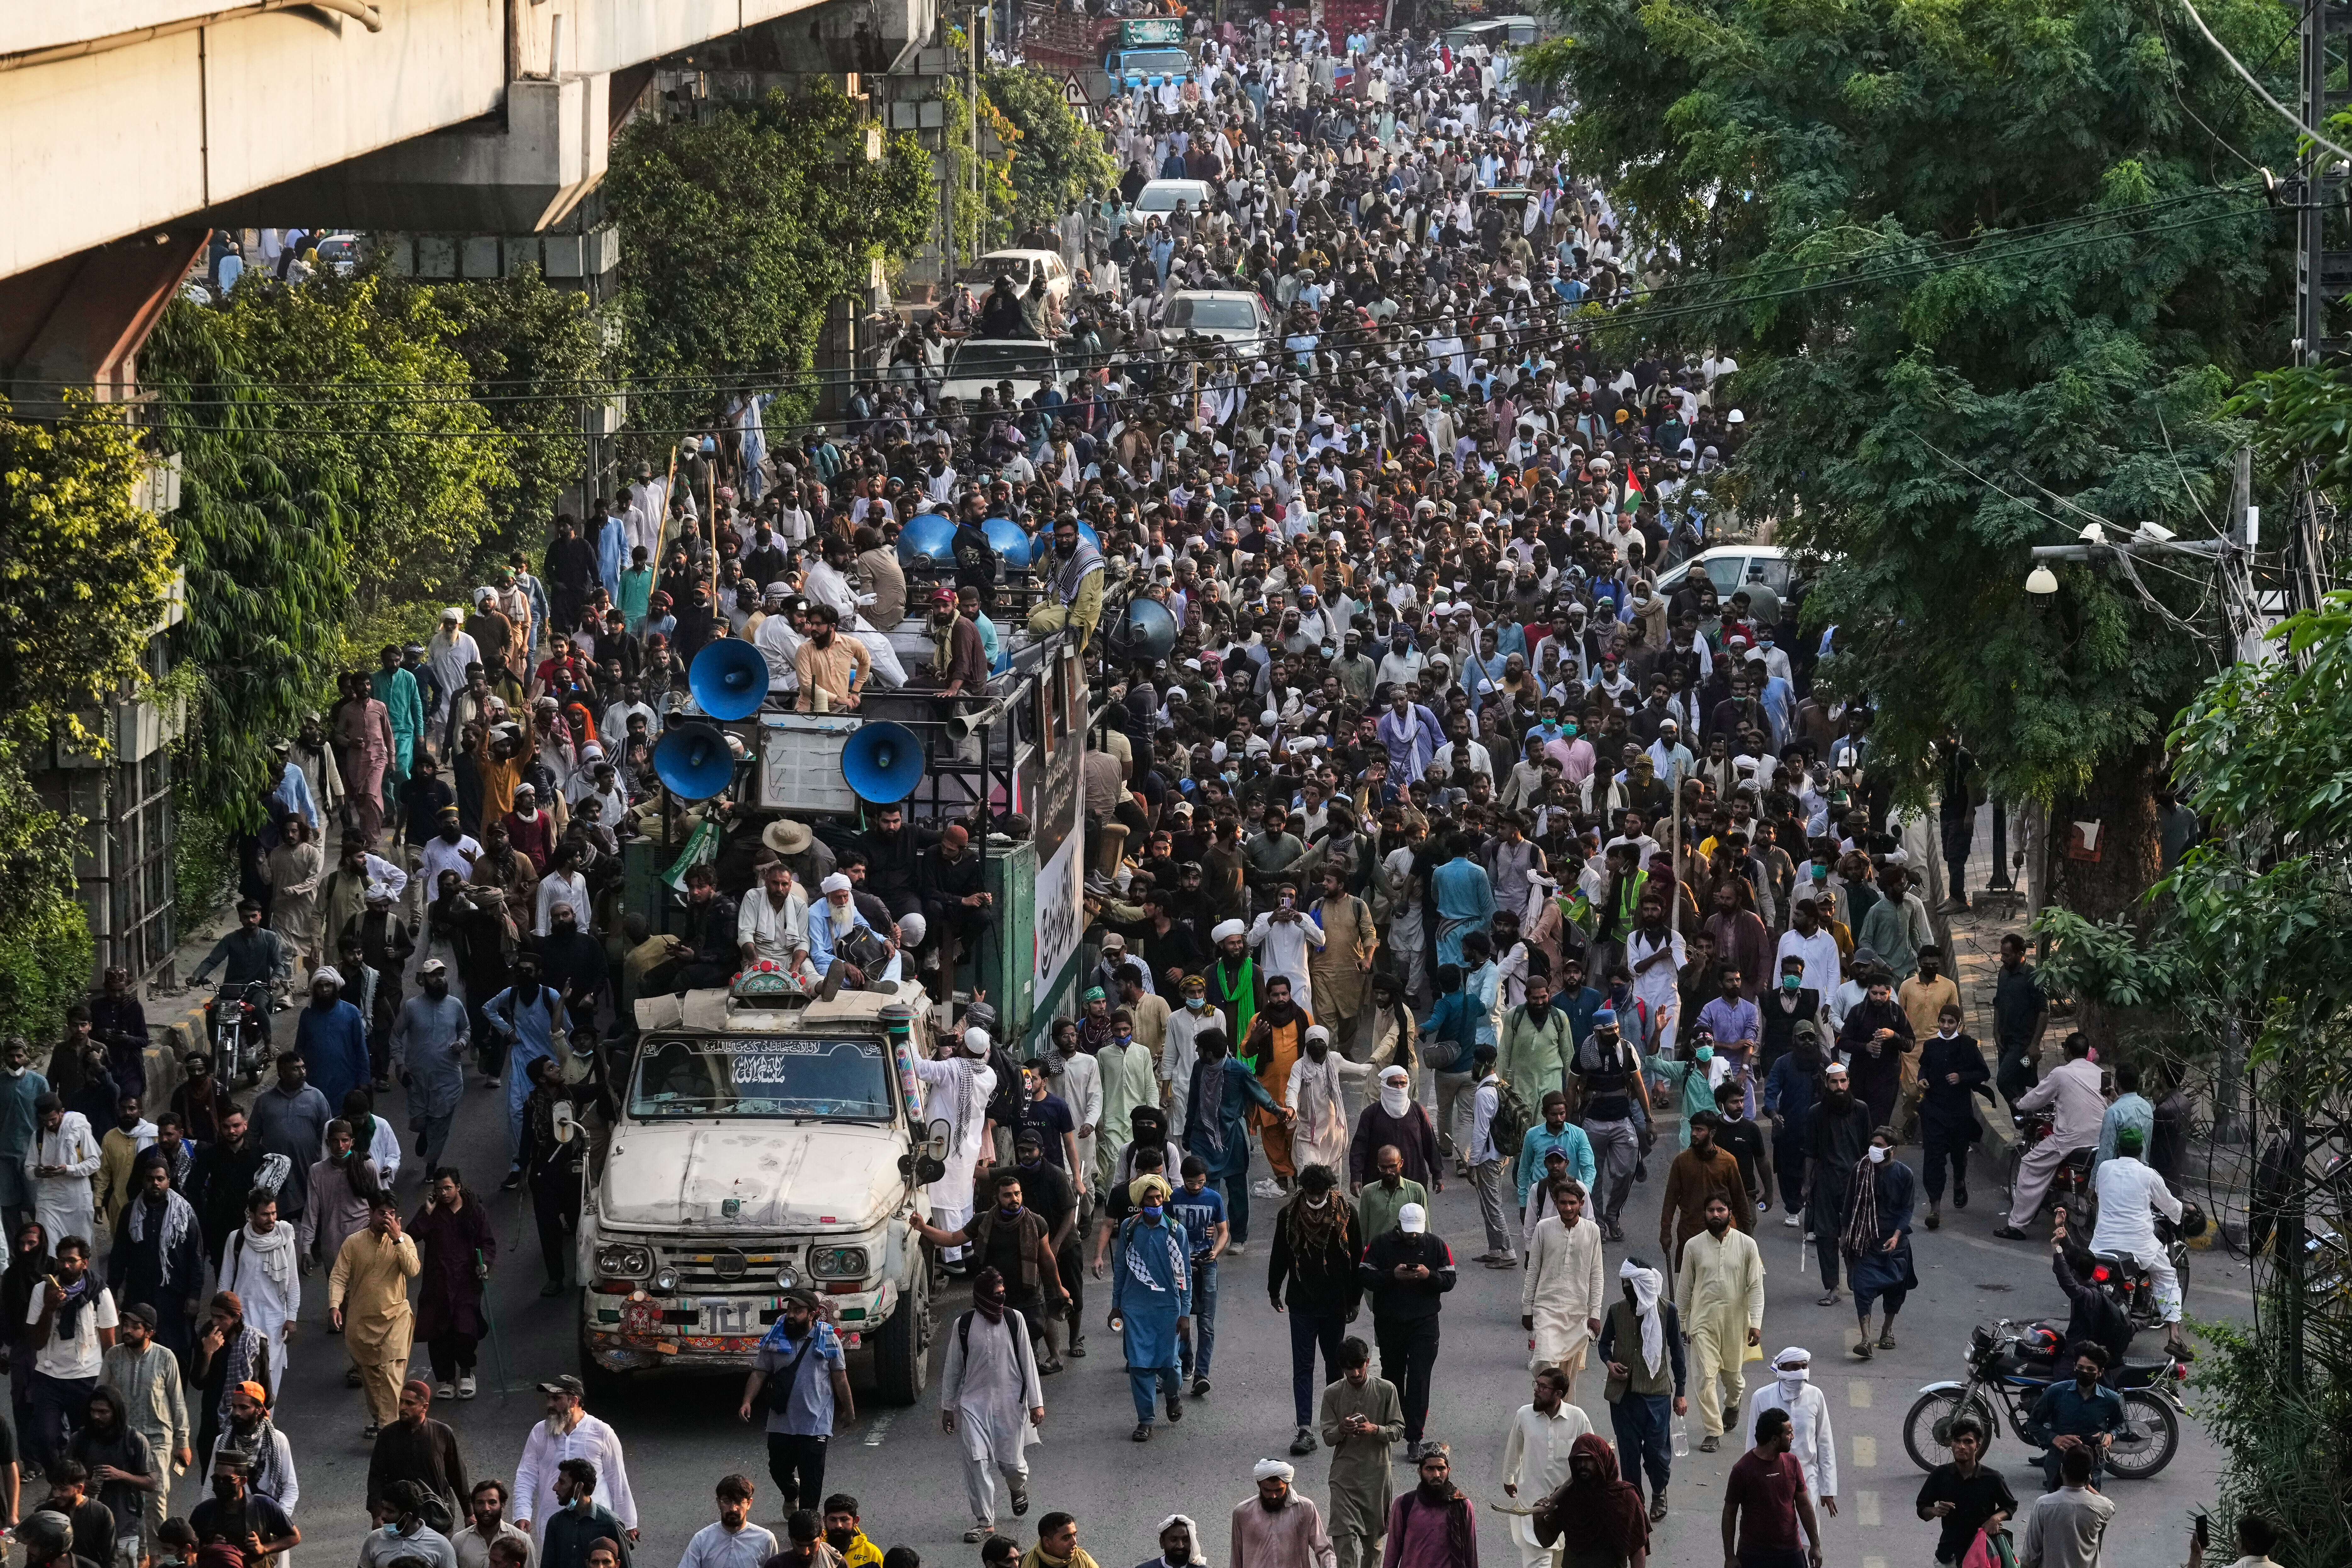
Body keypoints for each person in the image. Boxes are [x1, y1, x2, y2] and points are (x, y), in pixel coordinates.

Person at [938, 1267, 1045, 1543]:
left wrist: (1036, 1403)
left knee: (1012, 1465)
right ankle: (985, 1522)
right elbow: (953, 1368)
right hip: (974, 1405)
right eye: (996, 1294)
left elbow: (1028, 1362)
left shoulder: (1014, 1319)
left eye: (1002, 1293)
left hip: (1011, 1403)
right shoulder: (963, 1325)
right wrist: (948, 1406)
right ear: (982, 1296)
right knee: (976, 1462)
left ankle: (1017, 1487)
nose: (1001, 1297)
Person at [1269, 1165, 1364, 1456]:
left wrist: (1355, 1299)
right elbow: (1280, 1254)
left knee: (1335, 1368)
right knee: (1303, 1367)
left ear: (1329, 1190)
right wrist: (1274, 1289)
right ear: (1303, 1190)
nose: (1314, 1200)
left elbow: (1357, 1258)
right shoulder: (1288, 1215)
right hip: (1301, 1304)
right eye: (1310, 1194)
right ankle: (1305, 1429)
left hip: (1335, 1303)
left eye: (1319, 1194)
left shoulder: (1347, 1214)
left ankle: (1334, 1425)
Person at [737, 1290, 853, 1513]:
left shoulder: (828, 1340)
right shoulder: (775, 1339)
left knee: (812, 1480)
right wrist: (747, 1401)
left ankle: (807, 1529)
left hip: (816, 1424)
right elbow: (760, 1372)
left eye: (798, 1311)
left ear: (812, 1314)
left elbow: (840, 1377)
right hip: (781, 1422)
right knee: (778, 1470)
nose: (791, 1315)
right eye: (790, 1310)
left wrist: (849, 1410)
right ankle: (791, 1492)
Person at [1359, 1202, 1455, 1461]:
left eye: (1417, 1231)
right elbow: (1364, 1275)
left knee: (1419, 1379)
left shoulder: (1436, 1245)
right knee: (1392, 1377)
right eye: (1408, 1231)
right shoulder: (1381, 1244)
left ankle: (1415, 1437)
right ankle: (1393, 1429)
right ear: (1399, 1226)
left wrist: (1428, 1276)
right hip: (1390, 1321)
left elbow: (1449, 1279)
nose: (1413, 1236)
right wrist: (1393, 1276)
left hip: (1424, 1322)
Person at [2086, 1126, 2192, 1359]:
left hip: (2101, 1246)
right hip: (2138, 1245)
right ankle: (2174, 1337)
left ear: (2118, 1148)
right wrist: (2182, 1211)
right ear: (2141, 1150)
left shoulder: (2104, 1168)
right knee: (2166, 1276)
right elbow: (2170, 1206)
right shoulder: (2148, 1175)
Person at [1674, 1194, 1764, 1451]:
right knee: (1704, 1379)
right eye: (1711, 1210)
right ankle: (1713, 1431)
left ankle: (1733, 1403)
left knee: (1733, 1378)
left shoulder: (1747, 1245)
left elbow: (1756, 1288)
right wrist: (1680, 1324)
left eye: (1720, 1210)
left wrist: (1755, 1324)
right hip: (1702, 1323)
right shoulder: (1692, 1246)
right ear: (1704, 1214)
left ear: (1729, 1212)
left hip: (1736, 1323)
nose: (1715, 1214)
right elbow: (1684, 1290)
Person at [1597, 1259, 1685, 1522]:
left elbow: (1678, 1354)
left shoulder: (1667, 1311)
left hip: (1656, 1394)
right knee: (1629, 1453)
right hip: (1623, 1397)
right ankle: (1634, 1502)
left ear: (1642, 1285)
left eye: (1631, 1285)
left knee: (1657, 1454)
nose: (1626, 1290)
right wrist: (1610, 1364)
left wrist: (1681, 1391)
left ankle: (1659, 1492)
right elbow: (1604, 1345)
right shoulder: (1616, 1311)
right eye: (1624, 1284)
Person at [1995, 1033, 2104, 1242]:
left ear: (2068, 1052)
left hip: (2065, 1132)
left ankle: (2017, 1225)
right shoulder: (2100, 1073)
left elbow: (2033, 1094)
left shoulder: (2023, 1059)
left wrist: (2018, 1104)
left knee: (2029, 1165)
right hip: (2098, 1136)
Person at [25, 1236, 119, 1471]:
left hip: (86, 1377)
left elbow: (109, 1345)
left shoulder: (100, 1293)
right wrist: (49, 1308)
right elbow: (37, 1342)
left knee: (86, 1440)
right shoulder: (42, 1291)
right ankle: (59, 1482)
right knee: (45, 1438)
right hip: (49, 1376)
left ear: (85, 1263)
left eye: (72, 1261)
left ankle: (81, 1490)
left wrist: (111, 1384)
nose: (66, 1266)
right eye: (62, 1261)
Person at [1109, 1173, 1191, 1441]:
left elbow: (1185, 1275)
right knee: (1140, 1367)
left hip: (1168, 1308)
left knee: (1170, 1368)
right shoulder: (1129, 1229)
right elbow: (1121, 1269)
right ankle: (1145, 1420)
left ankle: (1172, 1395)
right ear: (1140, 1202)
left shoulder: (1177, 1232)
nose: (1155, 1202)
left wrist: (1185, 1312)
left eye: (1159, 1198)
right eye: (1150, 1198)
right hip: (1135, 1309)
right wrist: (1116, 1306)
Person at [99, 1303, 189, 1547]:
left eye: (134, 1327)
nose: (126, 1331)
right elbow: (101, 1394)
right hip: (123, 1437)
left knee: (156, 1495)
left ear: (149, 1332)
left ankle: (158, 1554)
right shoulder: (114, 1356)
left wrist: (183, 1443)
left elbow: (177, 1402)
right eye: (125, 1326)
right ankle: (136, 1554)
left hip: (158, 1438)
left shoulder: (165, 1357)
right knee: (125, 1495)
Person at [330, 1196, 421, 1439]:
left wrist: (398, 1240)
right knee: (371, 1377)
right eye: (382, 1213)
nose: (387, 1219)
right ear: (370, 1214)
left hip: (397, 1318)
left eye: (392, 1214)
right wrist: (335, 1305)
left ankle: (390, 1431)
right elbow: (339, 1277)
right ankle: (382, 1419)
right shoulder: (354, 1243)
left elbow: (413, 1270)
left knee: (391, 1370)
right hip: (362, 1323)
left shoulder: (405, 1241)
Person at [513, 1374, 637, 1546]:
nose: (550, 1405)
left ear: (574, 1401)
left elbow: (618, 1480)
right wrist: (522, 1514)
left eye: (556, 1398)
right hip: (552, 1523)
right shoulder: (539, 1432)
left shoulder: (602, 1433)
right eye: (549, 1398)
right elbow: (526, 1476)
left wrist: (628, 1523)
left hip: (595, 1524)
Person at [105, 1164, 205, 1364]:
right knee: (136, 1355)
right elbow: (119, 1255)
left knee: (176, 1356)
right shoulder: (130, 1212)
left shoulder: (184, 1213)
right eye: (150, 1179)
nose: (155, 1184)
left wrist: (194, 1296)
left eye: (160, 1179)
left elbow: (196, 1256)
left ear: (169, 1181)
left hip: (174, 1299)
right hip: (139, 1296)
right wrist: (113, 1292)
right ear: (143, 1182)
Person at [1318, 1339, 1403, 1568]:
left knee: (1373, 1544)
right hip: (1343, 1477)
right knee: (1343, 1538)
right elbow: (1327, 1437)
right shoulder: (1332, 1393)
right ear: (1341, 1368)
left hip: (1376, 1476)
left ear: (1367, 1362)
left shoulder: (1386, 1390)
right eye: (1348, 1368)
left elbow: (1398, 1430)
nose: (1355, 1373)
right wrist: (1340, 1430)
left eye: (1359, 1366)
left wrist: (1375, 1429)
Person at [411, 1170, 495, 1398]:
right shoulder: (433, 1212)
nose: (444, 1193)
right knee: (439, 1333)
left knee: (465, 1329)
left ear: (458, 1187)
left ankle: (467, 1374)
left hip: (466, 1281)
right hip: (437, 1281)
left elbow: (487, 1243)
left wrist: (484, 1264)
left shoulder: (474, 1210)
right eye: (439, 1189)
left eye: (448, 1188)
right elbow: (411, 1237)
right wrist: (426, 1212)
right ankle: (447, 1380)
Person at [1519, 1178, 1605, 1391]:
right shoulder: (1543, 1228)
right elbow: (1533, 1271)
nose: (1568, 1208)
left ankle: (1562, 1421)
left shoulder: (1592, 1231)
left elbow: (1596, 1274)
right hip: (1546, 1309)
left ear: (1581, 1204)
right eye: (1563, 1203)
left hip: (1577, 1312)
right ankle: (1543, 1414)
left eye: (1572, 1203)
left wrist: (1595, 1313)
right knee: (1544, 1364)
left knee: (1568, 1377)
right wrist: (1526, 1309)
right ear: (1556, 1204)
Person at [1502, 1367, 1591, 1568]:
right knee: (1538, 1562)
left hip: (1567, 1508)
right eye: (1537, 1384)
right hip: (1532, 1506)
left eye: (1543, 1387)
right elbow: (1514, 1450)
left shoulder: (1578, 1418)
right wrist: (1509, 1479)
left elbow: (1592, 1456)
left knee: (1562, 1562)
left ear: (1558, 1394)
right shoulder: (1524, 1415)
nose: (1537, 1390)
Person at [1842, 1127, 1918, 1359]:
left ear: (1892, 1150)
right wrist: (1844, 1235)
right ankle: (1865, 1339)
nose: (1874, 1149)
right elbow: (1849, 1204)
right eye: (1873, 1144)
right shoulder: (1860, 1169)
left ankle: (1887, 1330)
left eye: (1880, 1145)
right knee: (1863, 1289)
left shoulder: (1905, 1175)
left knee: (1896, 1291)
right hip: (1865, 1241)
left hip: (1895, 1242)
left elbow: (1907, 1210)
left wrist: (1896, 1236)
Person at [1801, 1061, 1873, 1306]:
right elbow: (1811, 1152)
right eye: (1834, 1082)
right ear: (1827, 1084)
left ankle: (1855, 1276)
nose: (1839, 1086)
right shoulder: (1816, 1113)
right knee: (1825, 1236)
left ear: (1849, 1082)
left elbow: (1868, 1150)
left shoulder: (1860, 1110)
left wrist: (1871, 1181)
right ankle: (1832, 1287)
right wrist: (1807, 1185)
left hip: (1855, 1182)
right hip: (1825, 1182)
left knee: (1855, 1234)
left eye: (1843, 1081)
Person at [1528, 1432, 1650, 1568]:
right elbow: (1546, 1541)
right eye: (1578, 1460)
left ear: (1602, 1461)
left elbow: (1638, 1548)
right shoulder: (1567, 1496)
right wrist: (1538, 1520)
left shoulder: (1625, 1498)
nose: (1583, 1465)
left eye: (1589, 1460)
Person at [1916, 1002, 1989, 1229]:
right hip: (1934, 1110)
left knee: (1958, 1154)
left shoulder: (1967, 1045)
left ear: (1959, 1024)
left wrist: (1962, 1077)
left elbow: (1983, 1073)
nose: (1946, 1026)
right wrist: (1922, 1080)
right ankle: (1935, 1207)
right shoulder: (1931, 1046)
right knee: (1934, 1158)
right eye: (1943, 1021)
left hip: (1959, 1112)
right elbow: (1924, 1068)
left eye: (1951, 1022)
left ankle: (1959, 1181)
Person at [2018, 1344, 2128, 1493]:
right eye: (2081, 1367)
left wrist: (2111, 1436)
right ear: (2074, 1366)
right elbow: (2033, 1424)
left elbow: (2119, 1424)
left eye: (2091, 1370)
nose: (2085, 1372)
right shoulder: (2056, 1392)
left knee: (2089, 1508)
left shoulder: (2110, 1399)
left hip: (2092, 1464)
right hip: (2058, 1463)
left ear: (2100, 1373)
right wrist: (2055, 1438)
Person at [1721, 1407, 1822, 1568]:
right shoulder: (1742, 1470)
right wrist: (1730, 1556)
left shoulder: (1793, 1463)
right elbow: (1730, 1512)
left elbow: (1804, 1505)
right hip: (1753, 1555)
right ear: (1775, 1440)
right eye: (1789, 1433)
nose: (1793, 1437)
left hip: (1791, 1553)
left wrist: (1815, 1545)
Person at [1741, 1349, 1836, 1520]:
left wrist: (1828, 1489)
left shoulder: (1816, 1396)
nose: (1800, 1373)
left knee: (1807, 1538)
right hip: (1771, 1478)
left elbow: (1825, 1442)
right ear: (1782, 1369)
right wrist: (1751, 1484)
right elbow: (1752, 1443)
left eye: (1804, 1367)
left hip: (1808, 1478)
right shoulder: (1761, 1397)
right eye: (1795, 1368)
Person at [1914, 1415, 2015, 1566]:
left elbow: (2011, 1506)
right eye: (1957, 1441)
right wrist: (1935, 1511)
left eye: (1968, 1442)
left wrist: (1996, 1519)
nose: (1961, 1446)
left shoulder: (1993, 1478)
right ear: (1951, 1443)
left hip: (1982, 1555)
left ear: (1977, 1446)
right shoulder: (1941, 1475)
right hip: (1950, 1554)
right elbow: (1922, 1509)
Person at [69, 1384, 160, 1552]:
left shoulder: (135, 1441)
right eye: (93, 1411)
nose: (96, 1416)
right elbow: (63, 1479)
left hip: (126, 1525)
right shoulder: (79, 1440)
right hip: (85, 1523)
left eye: (103, 1412)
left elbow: (152, 1483)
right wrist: (81, 1484)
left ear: (116, 1412)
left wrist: (122, 1475)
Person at [1658, 1109, 1753, 1269]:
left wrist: (1748, 1233)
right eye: (1693, 1129)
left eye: (1700, 1130)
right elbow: (1670, 1200)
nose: (1694, 1134)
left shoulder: (1728, 1161)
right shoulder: (1681, 1162)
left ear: (1712, 1133)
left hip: (1723, 1234)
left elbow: (1740, 1199)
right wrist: (1665, 1231)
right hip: (1690, 1233)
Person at [218, 1191, 299, 1379]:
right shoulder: (236, 1239)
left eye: (274, 1213)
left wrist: (292, 1318)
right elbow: (225, 1281)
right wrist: (222, 1317)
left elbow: (293, 1282)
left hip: (275, 1321)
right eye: (265, 1214)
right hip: (243, 1320)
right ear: (252, 1215)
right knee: (244, 1377)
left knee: (270, 1377)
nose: (271, 1219)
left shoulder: (285, 1240)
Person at [368, 1380, 468, 1526]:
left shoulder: (442, 1433)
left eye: (409, 1403)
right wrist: (377, 1515)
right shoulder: (387, 1436)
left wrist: (469, 1512)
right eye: (401, 1402)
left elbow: (457, 1475)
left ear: (424, 1407)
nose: (402, 1407)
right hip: (399, 1520)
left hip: (436, 1517)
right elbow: (376, 1478)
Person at [189, 1453, 299, 1568]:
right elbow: (189, 1549)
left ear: (243, 1481)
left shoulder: (264, 1506)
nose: (221, 1484)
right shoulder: (203, 1512)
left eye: (227, 1480)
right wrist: (210, 1547)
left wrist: (263, 1548)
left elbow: (294, 1537)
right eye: (217, 1479)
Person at [1464, 1045, 1519, 1266]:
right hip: (1501, 1154)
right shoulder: (1500, 1085)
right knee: (1488, 1203)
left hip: (1489, 1157)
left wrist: (1472, 1162)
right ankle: (1495, 1249)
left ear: (1481, 1065)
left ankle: (1507, 1252)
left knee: (1492, 1204)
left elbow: (1480, 1132)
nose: (1473, 1067)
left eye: (1474, 1063)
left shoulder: (1485, 1093)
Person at [2016, 1444, 2113, 1568]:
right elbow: (2110, 1506)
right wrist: (2087, 1485)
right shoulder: (2101, 1507)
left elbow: (2030, 1556)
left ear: (2062, 1470)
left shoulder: (2044, 1505)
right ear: (2089, 1476)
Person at [26, 1094, 102, 1253]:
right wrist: (38, 1172)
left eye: (53, 1119)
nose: (49, 1124)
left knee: (77, 1250)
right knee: (48, 1248)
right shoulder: (38, 1136)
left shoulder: (78, 1129)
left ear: (62, 1112)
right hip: (49, 1201)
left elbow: (95, 1163)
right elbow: (29, 1169)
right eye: (45, 1120)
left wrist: (68, 1169)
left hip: (78, 1200)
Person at [1380, 1444, 1476, 1568]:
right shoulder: (1404, 1504)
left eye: (1441, 1469)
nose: (1436, 1475)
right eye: (1430, 1469)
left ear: (1449, 1470)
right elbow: (1392, 1552)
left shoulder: (1462, 1506)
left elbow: (1471, 1552)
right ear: (1420, 1471)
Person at [1230, 1459, 1337, 1568]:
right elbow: (1236, 1560)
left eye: (1279, 1490)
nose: (1274, 1496)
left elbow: (1323, 1550)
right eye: (1267, 1490)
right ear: (1259, 1485)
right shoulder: (1243, 1513)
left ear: (1288, 1484)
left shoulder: (1305, 1509)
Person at [539, 1459, 632, 1568]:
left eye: (562, 1482)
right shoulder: (556, 1523)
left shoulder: (611, 1524)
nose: (555, 1487)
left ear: (579, 1487)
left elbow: (626, 1565)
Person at [678, 1475, 776, 1568]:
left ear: (749, 1504)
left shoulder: (766, 1539)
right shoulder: (702, 1540)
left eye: (739, 1502)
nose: (733, 1509)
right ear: (718, 1503)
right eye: (727, 1501)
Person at [358, 1480, 461, 1568]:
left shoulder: (441, 1545)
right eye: (384, 1508)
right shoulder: (374, 1539)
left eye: (390, 1511)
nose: (383, 1515)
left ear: (408, 1516)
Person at [455, 1481, 531, 1568]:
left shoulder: (522, 1540)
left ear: (502, 1504)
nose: (486, 1508)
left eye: (492, 1503)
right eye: (480, 1503)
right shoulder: (459, 1542)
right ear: (473, 1505)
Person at [1024, 1512, 1095, 1568]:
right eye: (1066, 1538)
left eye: (1074, 1535)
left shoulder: (1085, 1563)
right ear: (1047, 1542)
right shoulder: (1026, 1563)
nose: (1075, 1542)